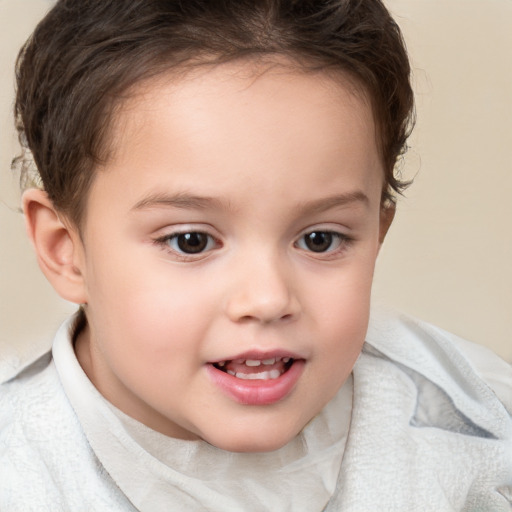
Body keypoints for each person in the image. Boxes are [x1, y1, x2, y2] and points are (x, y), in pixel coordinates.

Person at [1, 0, 510, 510]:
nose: (267, 299)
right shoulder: (19, 475)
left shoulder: (478, 423)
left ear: (377, 235)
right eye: (191, 241)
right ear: (65, 251)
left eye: (320, 239)